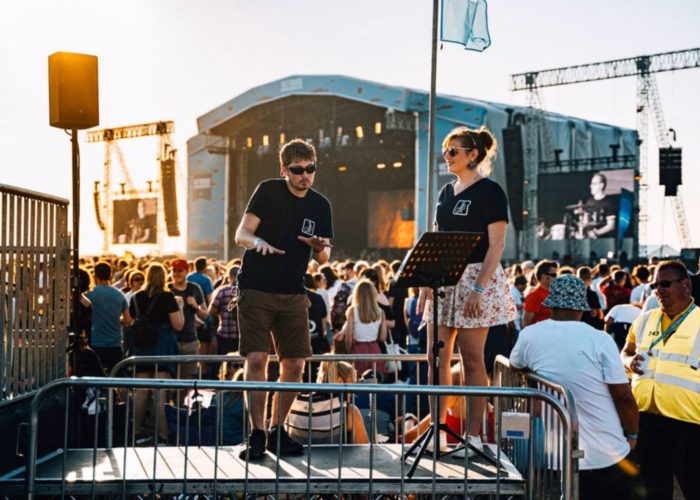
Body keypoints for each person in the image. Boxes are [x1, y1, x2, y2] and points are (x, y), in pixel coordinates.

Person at [419, 126, 516, 456]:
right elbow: (436, 235)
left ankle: (473, 437)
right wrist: (425, 282)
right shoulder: (445, 192)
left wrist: (478, 288)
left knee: (473, 361)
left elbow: (497, 244)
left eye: (453, 150)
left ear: (473, 154)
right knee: (437, 358)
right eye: (445, 150)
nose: (447, 156)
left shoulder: (491, 191)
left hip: (477, 276)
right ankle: (438, 430)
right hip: (443, 278)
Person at [234, 138, 333, 460]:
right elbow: (242, 234)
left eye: (311, 169)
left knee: (294, 363)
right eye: (298, 170)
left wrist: (319, 246)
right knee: (257, 360)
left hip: (294, 290)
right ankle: (257, 433)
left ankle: (278, 430)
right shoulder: (268, 191)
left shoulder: (320, 205)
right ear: (284, 170)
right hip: (256, 288)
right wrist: (257, 241)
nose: (305, 175)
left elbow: (325, 259)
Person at [510, 275, 640, 500]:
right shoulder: (600, 340)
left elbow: (514, 364)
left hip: (558, 452)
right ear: (582, 308)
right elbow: (623, 396)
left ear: (551, 305)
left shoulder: (530, 335)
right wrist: (633, 433)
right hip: (605, 450)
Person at [621, 260, 700, 499]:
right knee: (654, 488)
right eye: (656, 285)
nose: (659, 290)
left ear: (685, 285)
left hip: (689, 423)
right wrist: (629, 361)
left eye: (665, 284)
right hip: (647, 419)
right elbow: (625, 350)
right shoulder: (645, 319)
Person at [128, 263, 184, 441]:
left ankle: (135, 432)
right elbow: (178, 325)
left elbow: (130, 321)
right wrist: (180, 308)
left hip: (142, 346)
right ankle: (161, 434)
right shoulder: (168, 297)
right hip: (162, 346)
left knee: (141, 392)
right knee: (160, 393)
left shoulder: (136, 297)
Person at [285, 360, 369, 445]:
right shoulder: (348, 412)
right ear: (340, 382)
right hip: (336, 457)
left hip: (298, 456)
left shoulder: (295, 404)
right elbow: (364, 448)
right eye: (352, 383)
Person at [80, 261, 132, 373]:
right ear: (111, 275)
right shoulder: (119, 294)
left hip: (95, 342)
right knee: (117, 379)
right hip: (115, 343)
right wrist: (116, 319)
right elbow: (127, 320)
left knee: (96, 377)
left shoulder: (89, 294)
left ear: (95, 275)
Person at [336, 279, 388, 376]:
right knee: (375, 381)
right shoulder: (380, 312)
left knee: (357, 381)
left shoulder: (352, 310)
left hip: (358, 350)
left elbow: (349, 338)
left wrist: (348, 351)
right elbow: (383, 337)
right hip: (375, 350)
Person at [169, 258, 208, 378]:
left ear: (187, 271)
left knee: (188, 380)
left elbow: (205, 314)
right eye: (174, 271)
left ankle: (184, 398)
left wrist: (195, 306)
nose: (176, 274)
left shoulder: (194, 288)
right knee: (168, 379)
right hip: (170, 341)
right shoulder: (167, 289)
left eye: (180, 271)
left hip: (190, 341)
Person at [209, 265, 241, 356]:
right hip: (242, 335)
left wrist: (222, 312)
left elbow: (211, 311)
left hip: (224, 334)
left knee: (223, 361)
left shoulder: (223, 290)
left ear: (229, 277)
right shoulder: (246, 291)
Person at [522, 260, 558, 327]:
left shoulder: (554, 293)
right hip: (539, 335)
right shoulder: (534, 295)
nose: (556, 277)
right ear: (543, 276)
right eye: (554, 275)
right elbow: (526, 323)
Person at [581, 172, 616, 239]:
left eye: (594, 184)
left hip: (604, 239)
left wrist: (597, 233)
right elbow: (586, 222)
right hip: (590, 238)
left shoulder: (608, 203)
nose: (590, 186)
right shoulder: (589, 202)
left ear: (601, 185)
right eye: (591, 184)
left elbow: (611, 225)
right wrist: (588, 230)